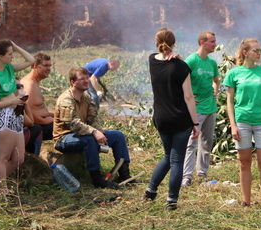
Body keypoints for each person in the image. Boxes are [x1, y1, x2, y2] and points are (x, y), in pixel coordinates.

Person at [146, 28, 200, 210]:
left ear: (157, 42)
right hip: (180, 119)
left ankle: (150, 191)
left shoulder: (151, 60)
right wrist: (195, 123)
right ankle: (171, 200)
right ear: (174, 42)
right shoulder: (181, 67)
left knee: (168, 156)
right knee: (177, 160)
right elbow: (189, 97)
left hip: (161, 118)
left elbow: (159, 56)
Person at [53, 67, 134, 188]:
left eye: (87, 78)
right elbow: (72, 123)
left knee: (118, 136)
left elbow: (92, 119)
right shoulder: (66, 99)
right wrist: (94, 133)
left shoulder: (86, 97)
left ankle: (124, 174)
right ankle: (97, 179)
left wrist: (101, 134)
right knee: (89, 140)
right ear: (72, 82)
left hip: (84, 134)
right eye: (82, 79)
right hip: (64, 138)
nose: (87, 81)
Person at [224, 38, 261, 210]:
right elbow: (230, 101)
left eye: (260, 51)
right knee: (244, 162)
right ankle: (246, 201)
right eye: (256, 50)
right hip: (242, 122)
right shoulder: (233, 73)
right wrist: (233, 125)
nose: (259, 53)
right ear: (245, 52)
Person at [0, 39, 34, 192]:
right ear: (0, 56)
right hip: (4, 116)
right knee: (3, 157)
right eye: (10, 54)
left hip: (16, 115)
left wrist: (16, 45)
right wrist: (12, 100)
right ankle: (2, 190)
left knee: (19, 158)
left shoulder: (9, 69)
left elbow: (31, 60)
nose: (13, 57)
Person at [181, 31, 220, 186]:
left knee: (207, 142)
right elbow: (179, 81)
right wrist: (187, 98)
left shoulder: (212, 63)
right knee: (192, 142)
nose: (215, 44)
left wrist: (215, 94)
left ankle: (202, 173)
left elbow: (216, 81)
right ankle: (187, 176)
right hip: (195, 110)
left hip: (210, 108)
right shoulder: (191, 61)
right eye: (212, 41)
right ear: (203, 42)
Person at [20, 52, 54, 155]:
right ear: (35, 66)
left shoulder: (35, 82)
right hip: (35, 127)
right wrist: (55, 120)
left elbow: (38, 109)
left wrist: (54, 114)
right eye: (45, 65)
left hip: (43, 122)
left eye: (50, 65)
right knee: (71, 126)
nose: (49, 68)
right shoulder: (29, 85)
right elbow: (30, 115)